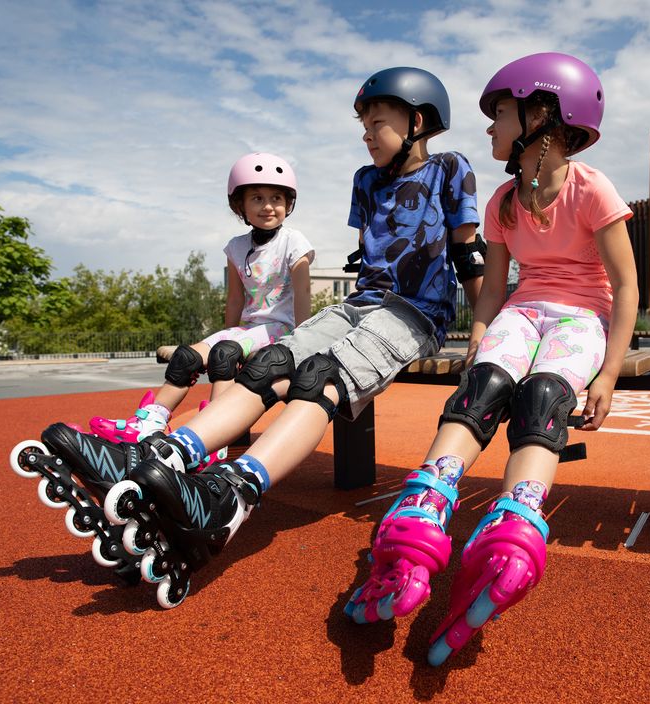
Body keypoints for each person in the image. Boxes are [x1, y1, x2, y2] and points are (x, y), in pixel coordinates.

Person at [28, 66, 484, 608]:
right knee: (265, 365)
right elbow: (370, 256)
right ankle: (165, 454)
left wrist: (481, 327)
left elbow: (468, 251)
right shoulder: (366, 179)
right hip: (360, 302)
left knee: (321, 378)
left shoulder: (450, 168)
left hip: (415, 312)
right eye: (362, 124)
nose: (366, 133)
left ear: (417, 121)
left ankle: (230, 497)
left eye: (376, 122)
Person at [344, 52, 639, 666]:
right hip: (522, 312)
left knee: (542, 396)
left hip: (582, 314)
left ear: (544, 115)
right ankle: (426, 507)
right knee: (482, 386)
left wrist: (608, 371)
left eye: (499, 113)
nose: (488, 127)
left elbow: (626, 285)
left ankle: (518, 519)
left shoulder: (592, 189)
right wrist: (480, 335)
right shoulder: (506, 199)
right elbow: (498, 286)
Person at [89, 152, 314, 453]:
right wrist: (226, 334)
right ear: (241, 206)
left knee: (224, 354)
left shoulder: (293, 241)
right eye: (257, 198)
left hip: (281, 328)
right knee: (186, 358)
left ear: (288, 204)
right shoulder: (236, 247)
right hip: (249, 329)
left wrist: (303, 341)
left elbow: (303, 292)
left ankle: (215, 437)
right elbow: (235, 297)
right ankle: (149, 423)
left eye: (276, 198)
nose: (268, 206)